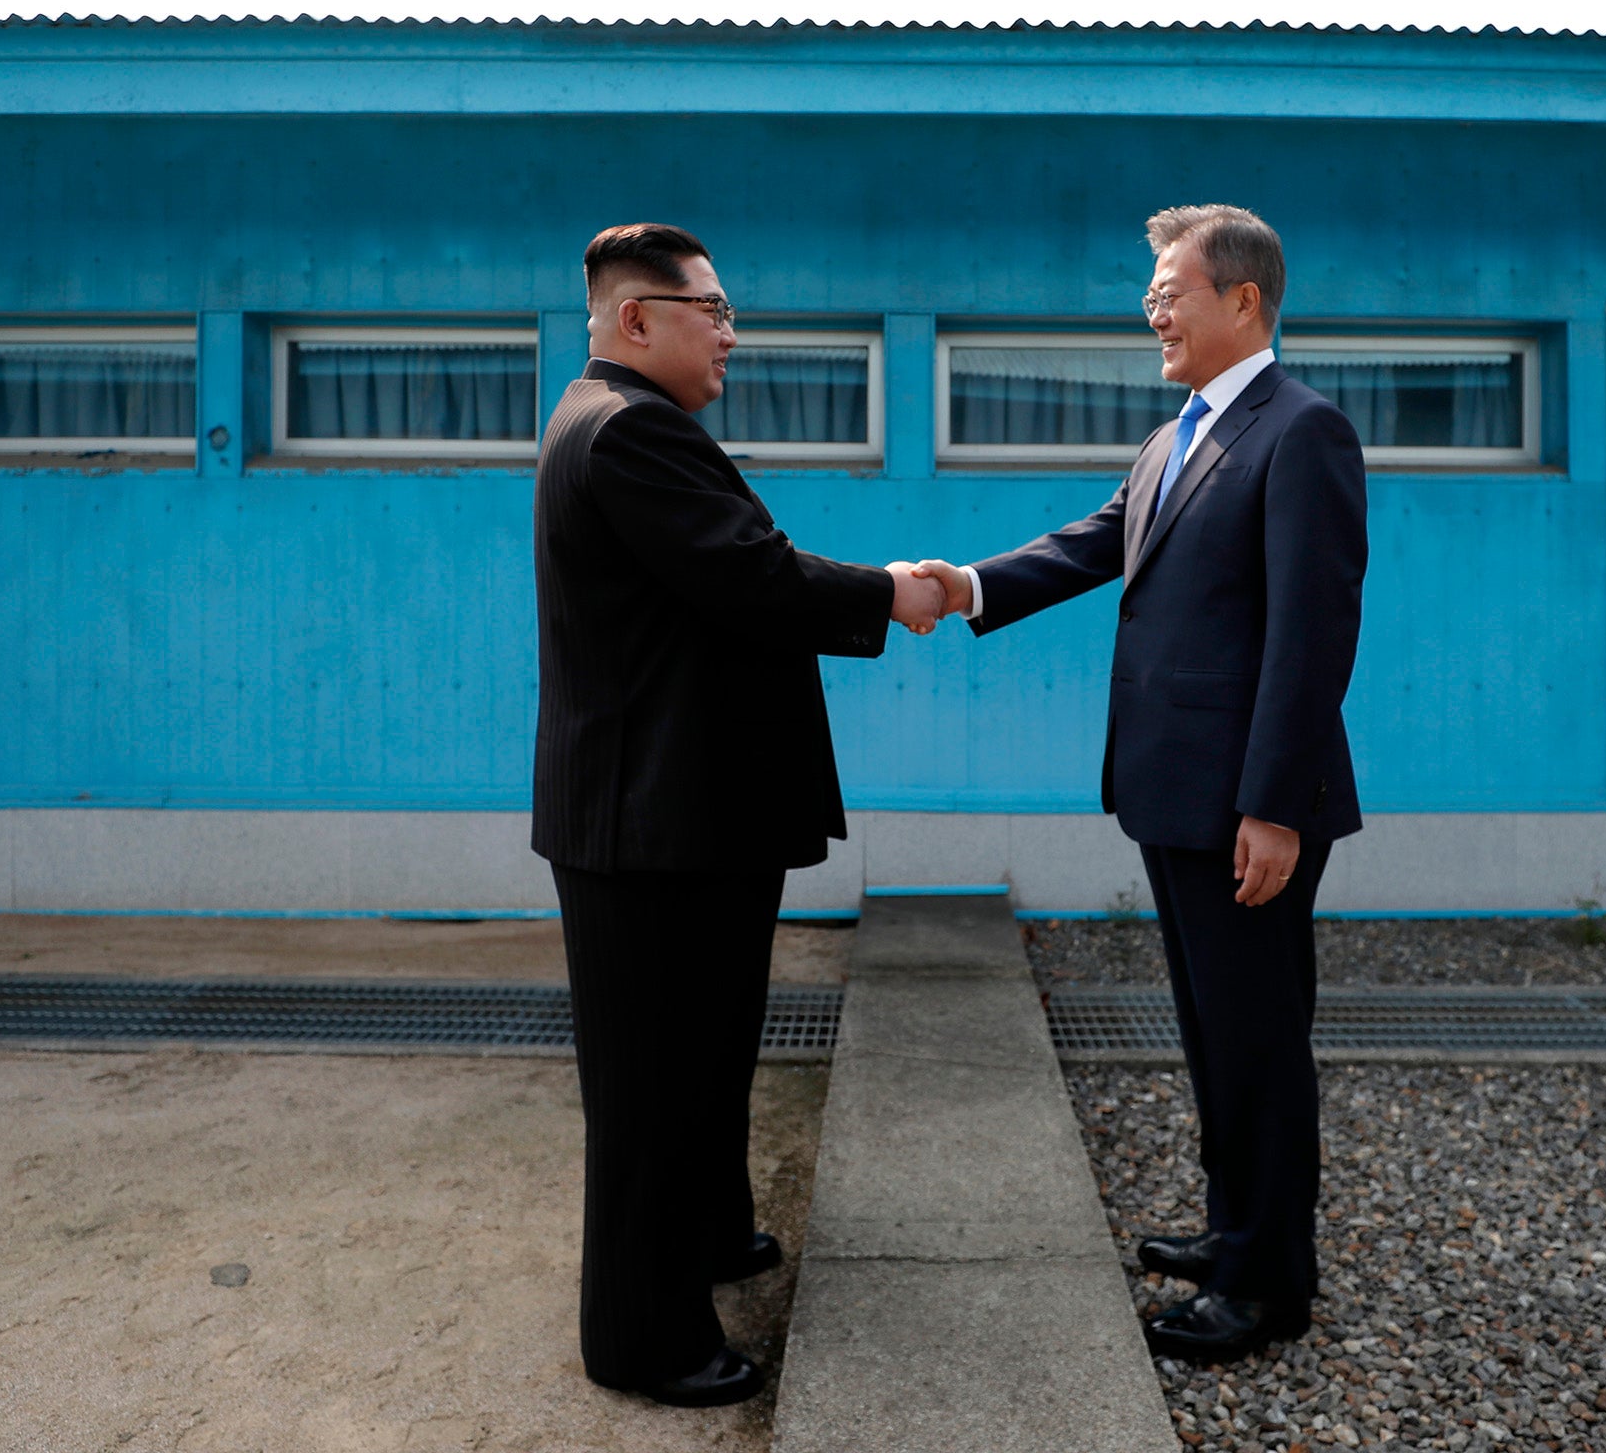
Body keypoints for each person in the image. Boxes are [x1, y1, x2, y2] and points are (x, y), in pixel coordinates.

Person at [910, 204, 1368, 1362]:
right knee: (1214, 1032)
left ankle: (1267, 1287)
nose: (1152, 310)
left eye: (1172, 291)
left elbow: (1310, 638)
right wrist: (963, 584)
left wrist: (1270, 805)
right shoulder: (1179, 434)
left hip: (1244, 805)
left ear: (1243, 301)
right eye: (1152, 293)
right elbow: (1095, 540)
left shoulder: (1299, 430)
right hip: (1172, 791)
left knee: (1258, 1039)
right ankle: (1233, 1231)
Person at [532, 223, 943, 1407]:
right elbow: (755, 577)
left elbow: (733, 569)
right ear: (632, 319)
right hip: (646, 826)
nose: (727, 331)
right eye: (705, 309)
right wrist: (892, 595)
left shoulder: (631, 425)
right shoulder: (625, 431)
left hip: (683, 817)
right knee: (652, 1089)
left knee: (706, 1058)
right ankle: (642, 1337)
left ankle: (713, 1235)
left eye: (726, 309)